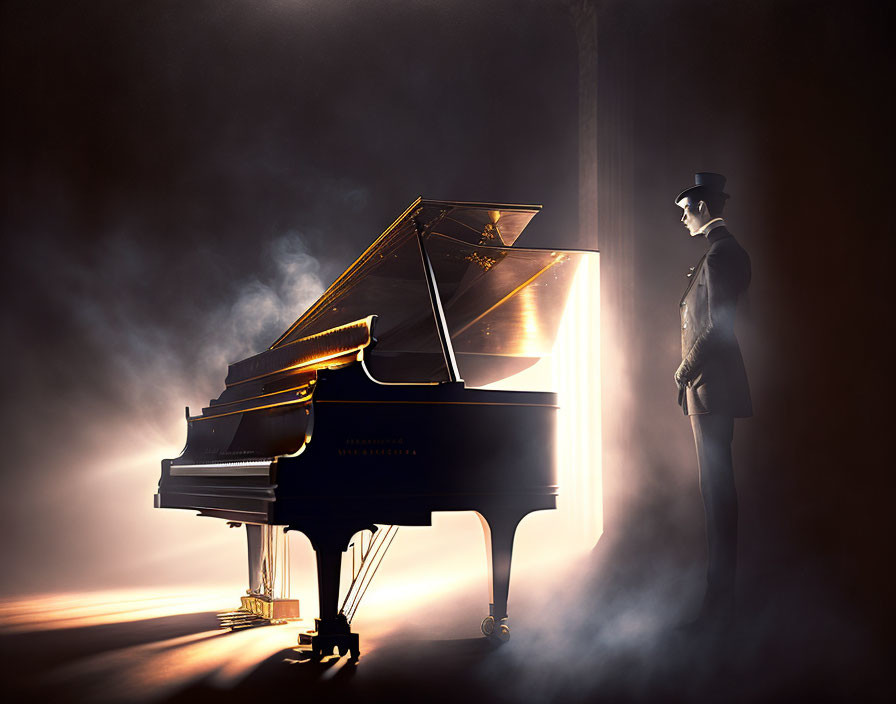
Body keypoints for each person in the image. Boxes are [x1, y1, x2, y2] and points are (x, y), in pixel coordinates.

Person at [674, 172, 752, 630]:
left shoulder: (722, 255)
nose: (683, 219)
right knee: (715, 494)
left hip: (710, 387)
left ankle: (719, 604)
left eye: (685, 210)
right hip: (710, 388)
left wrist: (684, 372)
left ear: (702, 207)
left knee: (717, 495)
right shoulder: (718, 254)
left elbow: (719, 328)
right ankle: (719, 601)